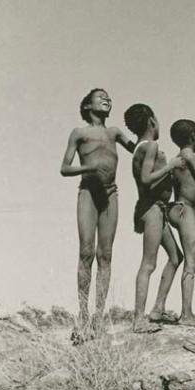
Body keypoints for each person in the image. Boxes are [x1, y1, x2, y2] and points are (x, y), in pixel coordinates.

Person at [60, 88, 135, 343]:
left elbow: (136, 148)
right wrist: (90, 167)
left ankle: (99, 317)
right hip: (88, 193)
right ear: (88, 105)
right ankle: (82, 314)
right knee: (86, 252)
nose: (107, 99)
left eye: (109, 97)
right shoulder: (79, 133)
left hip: (111, 194)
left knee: (106, 254)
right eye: (100, 96)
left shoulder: (113, 132)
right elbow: (65, 167)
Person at [123, 103, 184, 333]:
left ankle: (158, 308)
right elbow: (147, 178)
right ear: (151, 121)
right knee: (149, 263)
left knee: (176, 257)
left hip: (156, 208)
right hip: (151, 209)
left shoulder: (139, 146)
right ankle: (139, 319)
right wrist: (171, 166)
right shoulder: (150, 146)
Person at [167, 120, 195, 327]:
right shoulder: (187, 155)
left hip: (185, 210)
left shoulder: (179, 157)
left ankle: (185, 311)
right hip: (186, 210)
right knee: (192, 262)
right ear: (194, 135)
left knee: (189, 261)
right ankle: (186, 314)